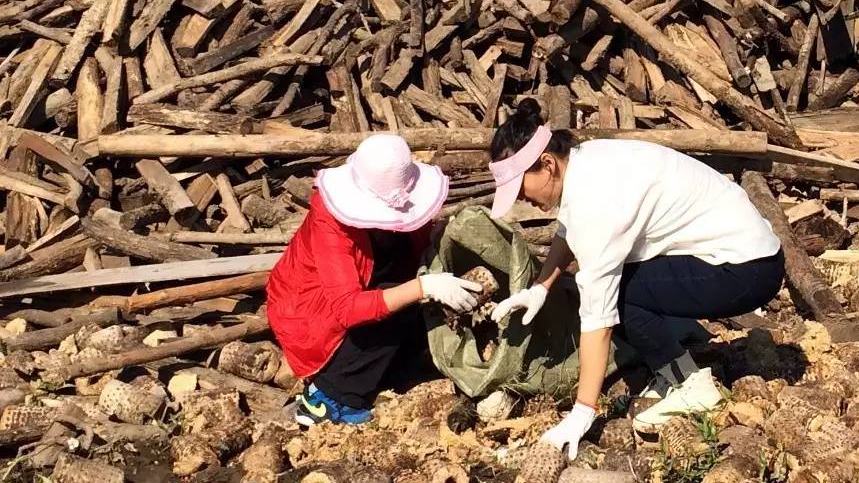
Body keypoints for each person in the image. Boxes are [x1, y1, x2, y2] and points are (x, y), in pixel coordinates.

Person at [485, 99, 783, 453]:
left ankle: (692, 386)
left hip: (747, 269)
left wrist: (582, 411)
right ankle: (677, 368)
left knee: (620, 294)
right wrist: (540, 287)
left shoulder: (597, 201)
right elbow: (568, 230)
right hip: (746, 254)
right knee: (617, 285)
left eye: (521, 188)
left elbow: (598, 317)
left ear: (547, 164)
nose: (522, 199)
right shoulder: (584, 162)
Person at [266, 133, 483, 426]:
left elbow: (417, 246)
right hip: (310, 314)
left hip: (376, 288)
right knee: (399, 306)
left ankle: (386, 375)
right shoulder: (329, 222)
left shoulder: (403, 203)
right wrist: (424, 287)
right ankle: (329, 396)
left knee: (419, 323)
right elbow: (347, 309)